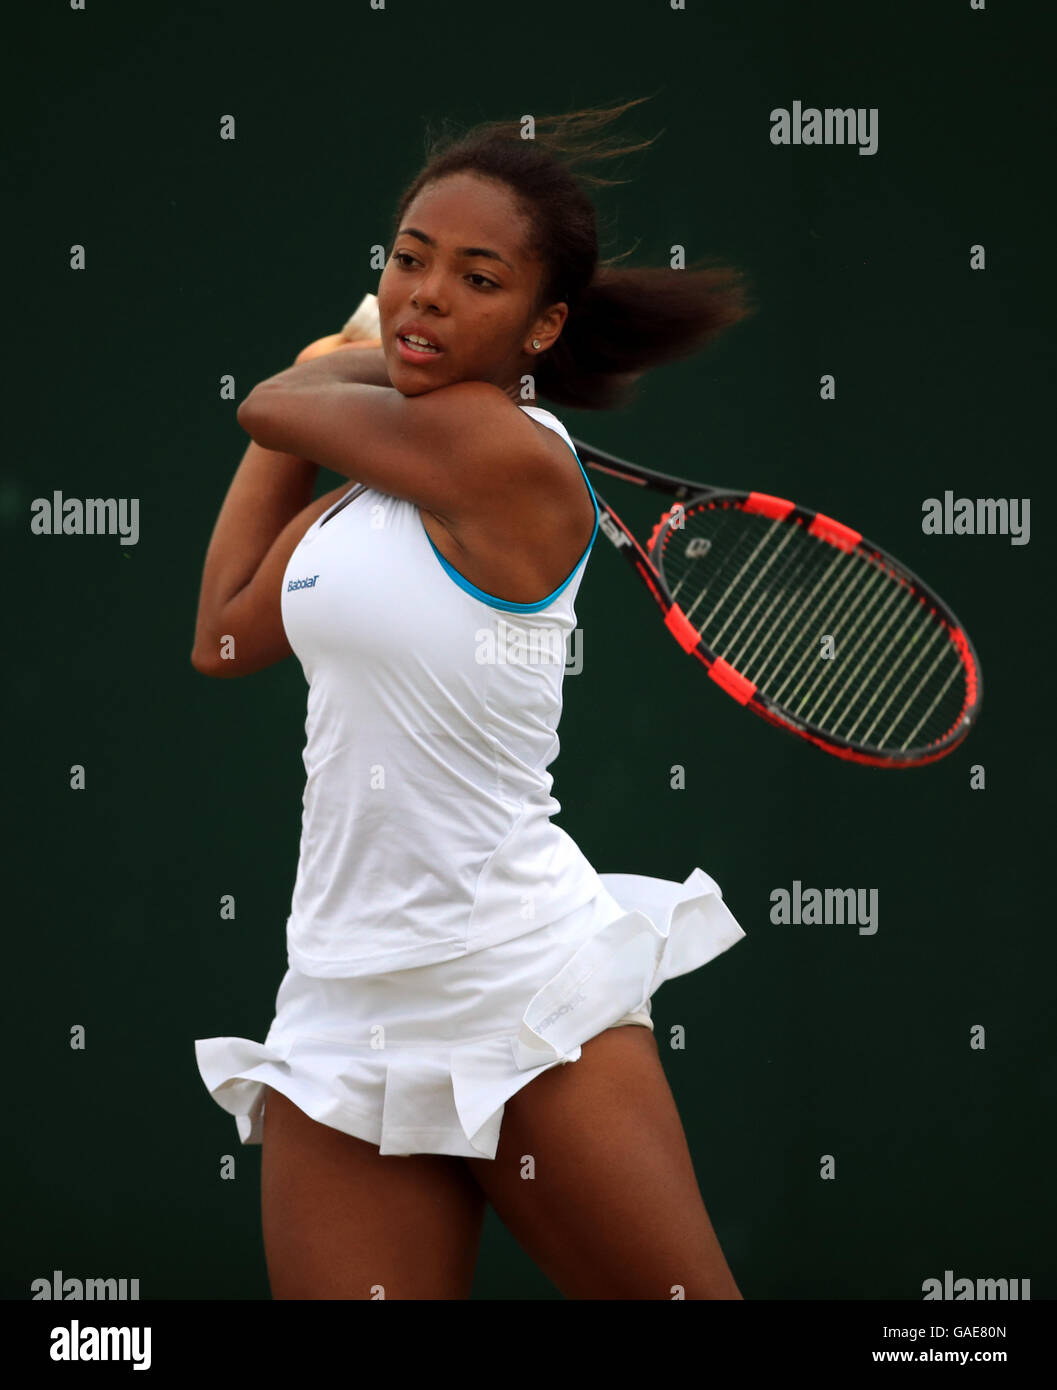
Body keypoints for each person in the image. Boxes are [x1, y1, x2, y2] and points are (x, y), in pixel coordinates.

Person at [192, 97, 756, 1300]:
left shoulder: (515, 458)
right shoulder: (358, 498)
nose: (426, 294)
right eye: (407, 262)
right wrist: (317, 391)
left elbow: (268, 406)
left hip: (517, 988)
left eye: (476, 278)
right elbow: (225, 635)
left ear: (544, 324)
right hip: (340, 1007)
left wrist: (317, 365)